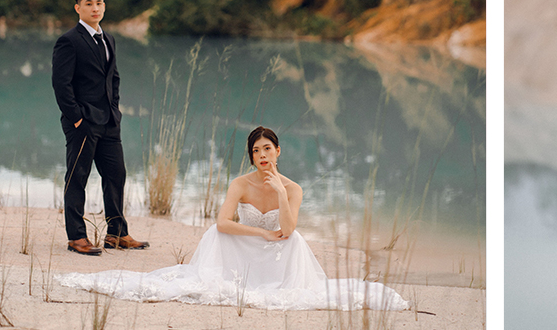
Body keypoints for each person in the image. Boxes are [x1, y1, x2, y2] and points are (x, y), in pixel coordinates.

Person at [56, 126, 409, 311]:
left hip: (275, 253)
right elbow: (224, 222)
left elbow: (288, 229)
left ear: (278, 151)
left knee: (294, 239)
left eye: (267, 149)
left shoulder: (294, 188)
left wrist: (282, 195)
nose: (261, 155)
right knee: (218, 234)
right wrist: (258, 233)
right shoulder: (240, 183)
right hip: (241, 246)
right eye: (255, 151)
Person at [52, 0, 148, 255]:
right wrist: (77, 118)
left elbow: (113, 78)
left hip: (108, 122)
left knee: (116, 175)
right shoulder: (68, 41)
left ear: (104, 6)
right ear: (78, 8)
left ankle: (117, 233)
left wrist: (115, 110)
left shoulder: (108, 39)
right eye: (89, 4)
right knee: (77, 177)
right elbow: (61, 85)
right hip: (82, 124)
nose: (95, 8)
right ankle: (76, 237)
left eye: (99, 3)